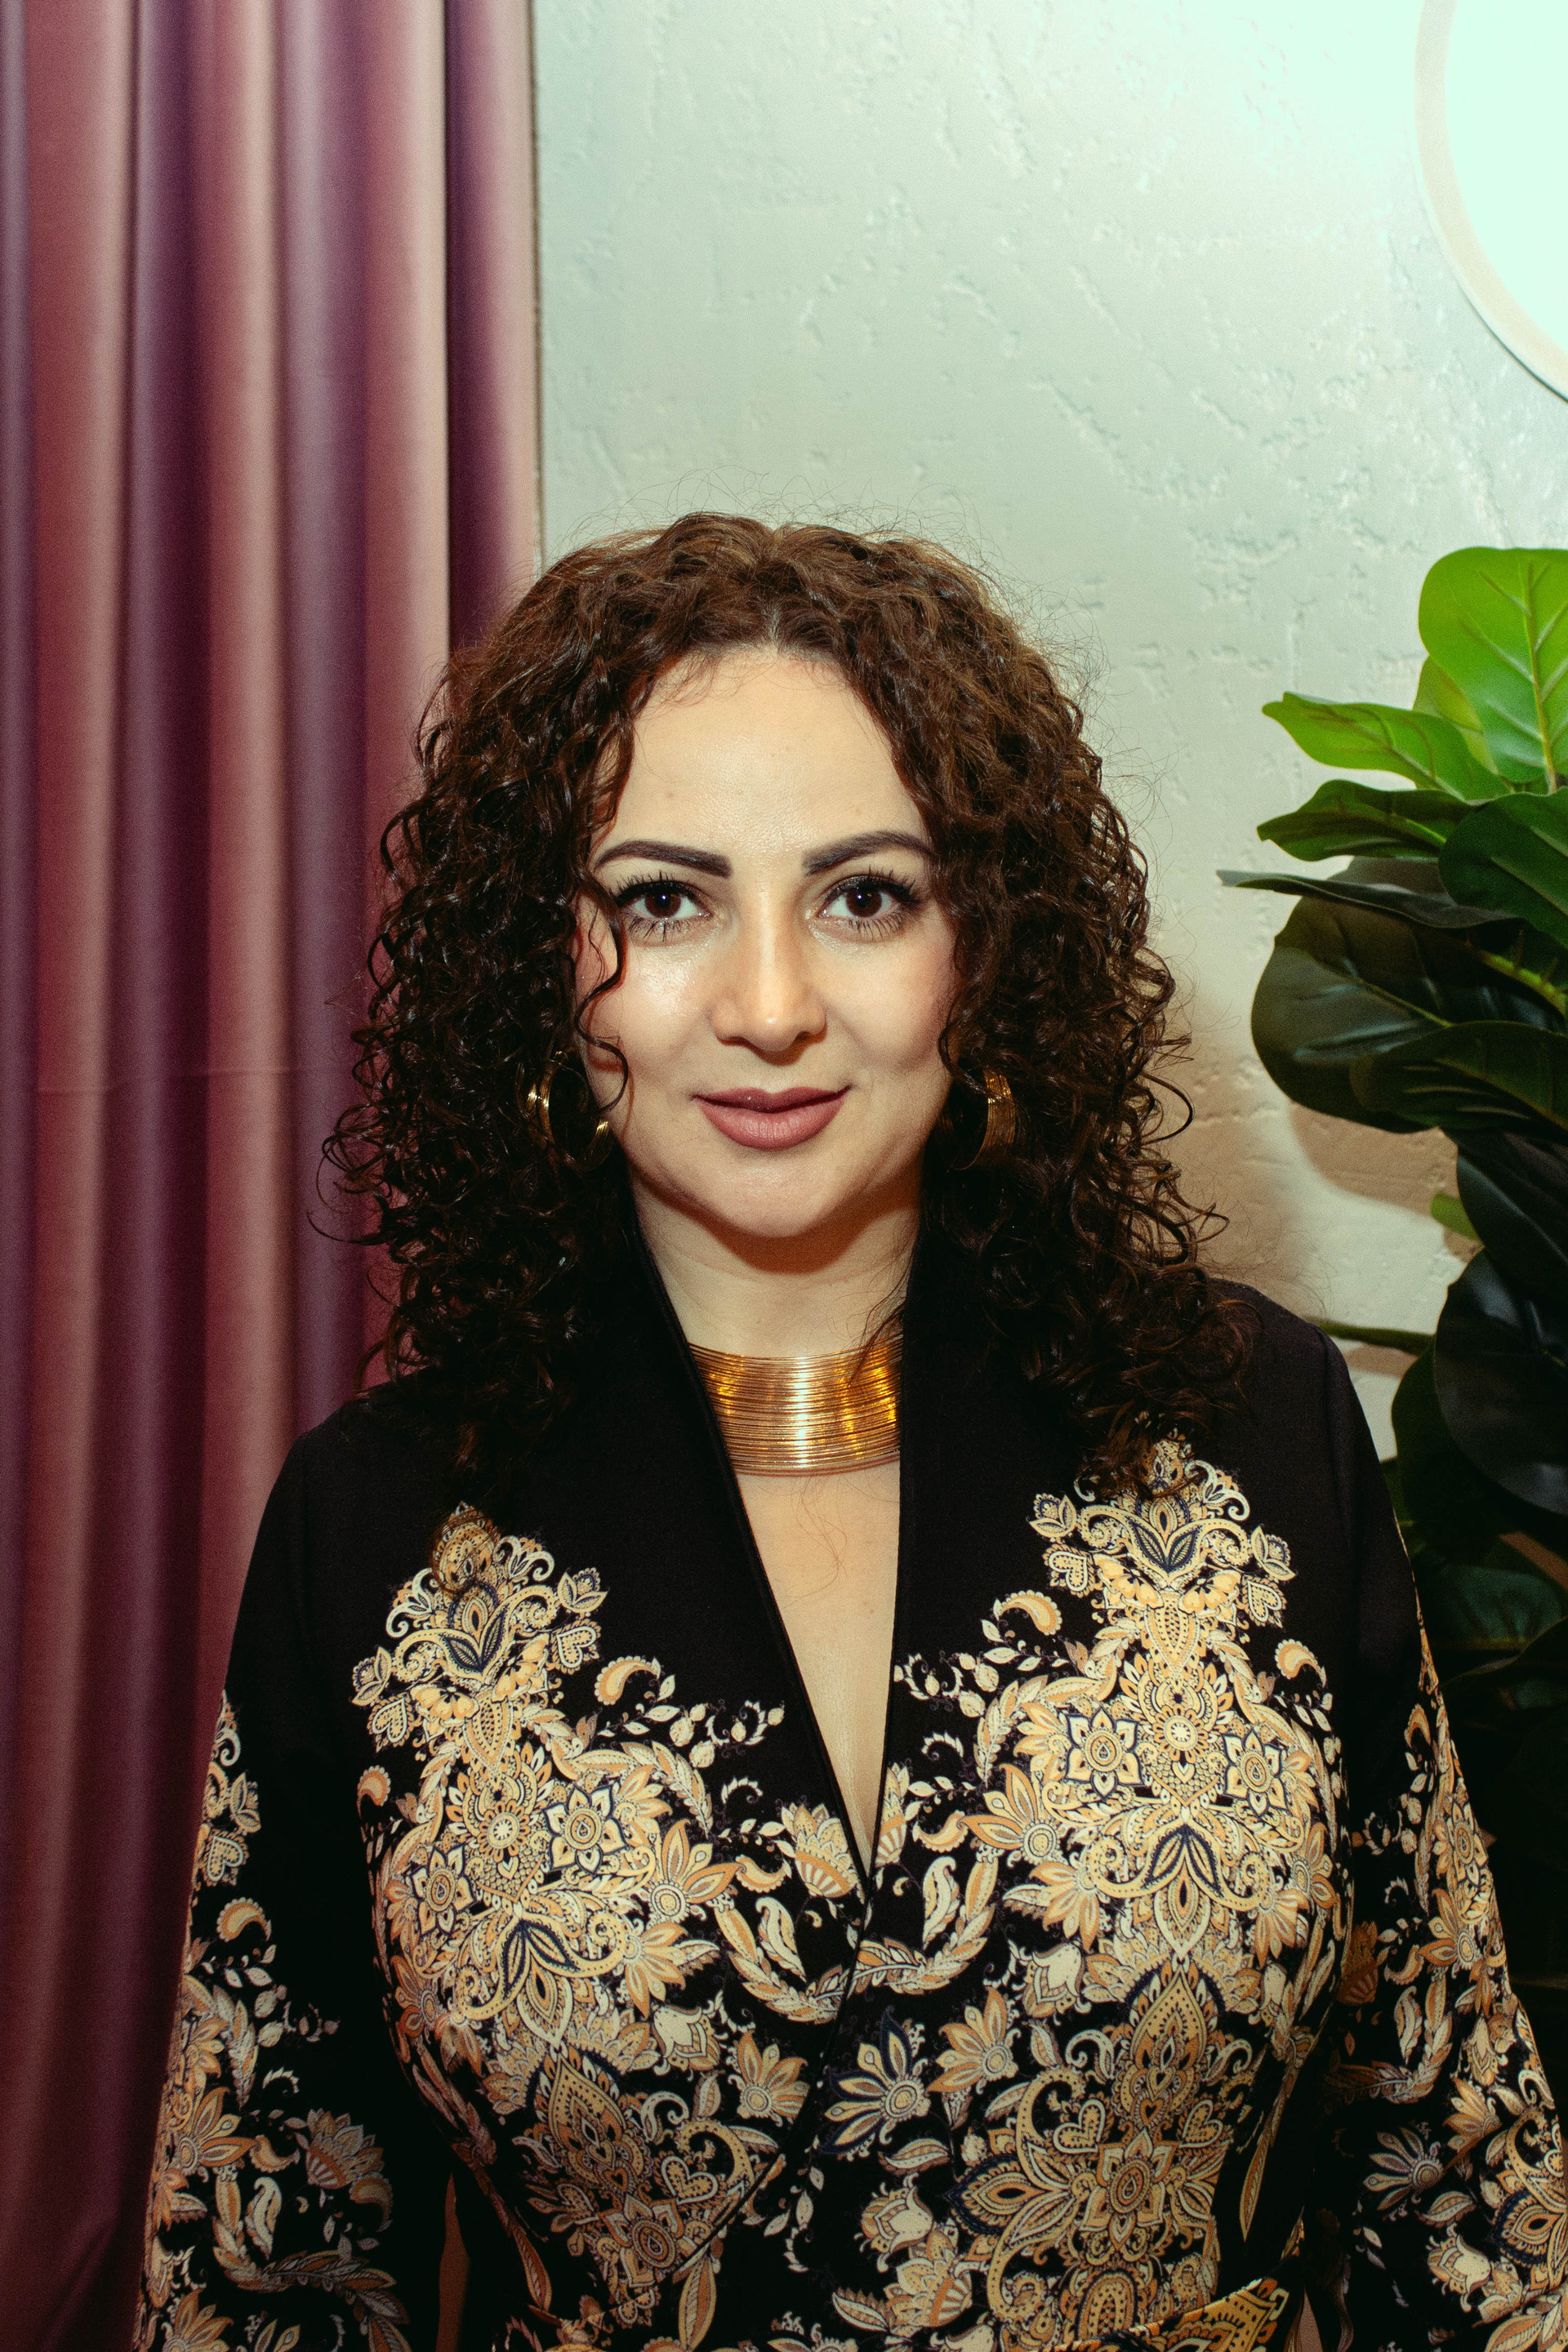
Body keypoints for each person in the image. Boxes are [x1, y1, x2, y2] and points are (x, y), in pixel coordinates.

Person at [135, 517, 1565, 2352]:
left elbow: (1457, 2169)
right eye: (665, 902)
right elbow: (269, 2260)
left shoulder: (1250, 1429)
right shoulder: (377, 1527)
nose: (771, 1008)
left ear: (988, 947)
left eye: (865, 897)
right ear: (537, 960)